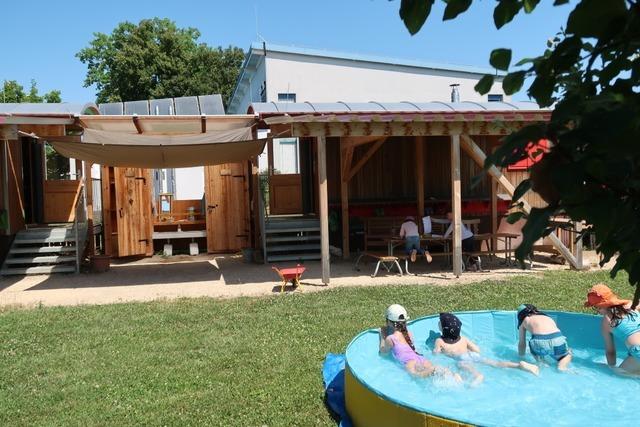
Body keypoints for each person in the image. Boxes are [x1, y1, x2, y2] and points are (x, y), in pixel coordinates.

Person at [433, 312, 539, 385]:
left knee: (464, 367)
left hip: (462, 359)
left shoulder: (439, 341)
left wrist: (438, 351)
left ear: (443, 328)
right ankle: (518, 365)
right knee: (496, 363)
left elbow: (436, 354)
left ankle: (478, 376)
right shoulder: (463, 339)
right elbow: (477, 349)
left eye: (440, 322)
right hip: (473, 355)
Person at [379, 304, 460, 381]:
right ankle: (453, 375)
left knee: (415, 375)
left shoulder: (391, 339)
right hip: (419, 358)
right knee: (437, 371)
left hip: (409, 362)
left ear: (389, 322)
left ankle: (432, 370)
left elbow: (383, 353)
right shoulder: (409, 334)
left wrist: (382, 335)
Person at [584, 284, 640, 376]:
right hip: (636, 351)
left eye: (597, 307)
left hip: (638, 350)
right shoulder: (631, 304)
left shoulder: (607, 321)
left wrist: (611, 367)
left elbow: (610, 351)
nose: (597, 311)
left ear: (602, 306)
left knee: (619, 374)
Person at [517, 304, 572, 370]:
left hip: (539, 342)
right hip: (557, 340)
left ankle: (542, 363)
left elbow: (522, 343)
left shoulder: (524, 320)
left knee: (535, 349)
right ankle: (562, 367)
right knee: (566, 355)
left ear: (520, 315)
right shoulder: (547, 317)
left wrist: (521, 357)